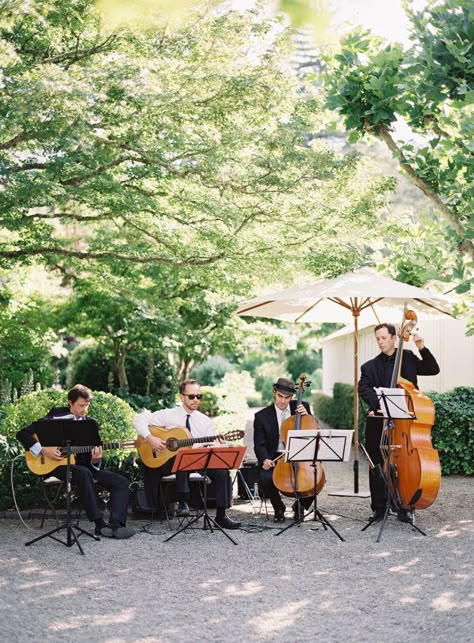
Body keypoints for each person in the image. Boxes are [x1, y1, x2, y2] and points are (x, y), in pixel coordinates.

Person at [16, 384, 135, 539]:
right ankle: (99, 524)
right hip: (56, 467)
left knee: (121, 481)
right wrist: (43, 450)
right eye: (80, 405)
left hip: (84, 468)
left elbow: (94, 460)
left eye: (87, 405)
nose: (84, 410)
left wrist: (95, 459)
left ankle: (116, 526)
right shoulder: (56, 415)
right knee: (84, 473)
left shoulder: (90, 424)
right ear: (70, 403)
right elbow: (22, 434)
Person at [358, 323, 440, 522]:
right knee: (376, 461)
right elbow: (363, 387)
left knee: (403, 463)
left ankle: (405, 504)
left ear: (395, 338)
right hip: (378, 420)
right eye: (377, 338)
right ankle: (379, 507)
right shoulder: (369, 366)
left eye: (384, 338)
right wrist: (380, 405)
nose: (380, 342)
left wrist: (421, 346)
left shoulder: (409, 358)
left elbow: (432, 369)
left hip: (405, 424)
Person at [133, 379, 241, 530]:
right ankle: (183, 501)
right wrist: (150, 438)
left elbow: (209, 446)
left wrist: (216, 444)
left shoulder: (204, 421)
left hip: (197, 460)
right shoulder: (168, 415)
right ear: (181, 397)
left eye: (199, 396)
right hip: (169, 462)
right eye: (191, 396)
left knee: (222, 470)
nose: (196, 400)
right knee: (182, 455)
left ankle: (221, 516)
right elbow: (138, 419)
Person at [253, 377, 314, 522]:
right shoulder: (261, 416)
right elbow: (259, 445)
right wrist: (265, 459)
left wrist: (308, 416)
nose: (283, 401)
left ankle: (300, 506)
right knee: (265, 478)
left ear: (292, 397)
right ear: (274, 392)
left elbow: (313, 429)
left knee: (315, 476)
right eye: (280, 396)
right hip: (276, 457)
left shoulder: (301, 407)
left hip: (299, 455)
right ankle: (278, 507)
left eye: (287, 397)